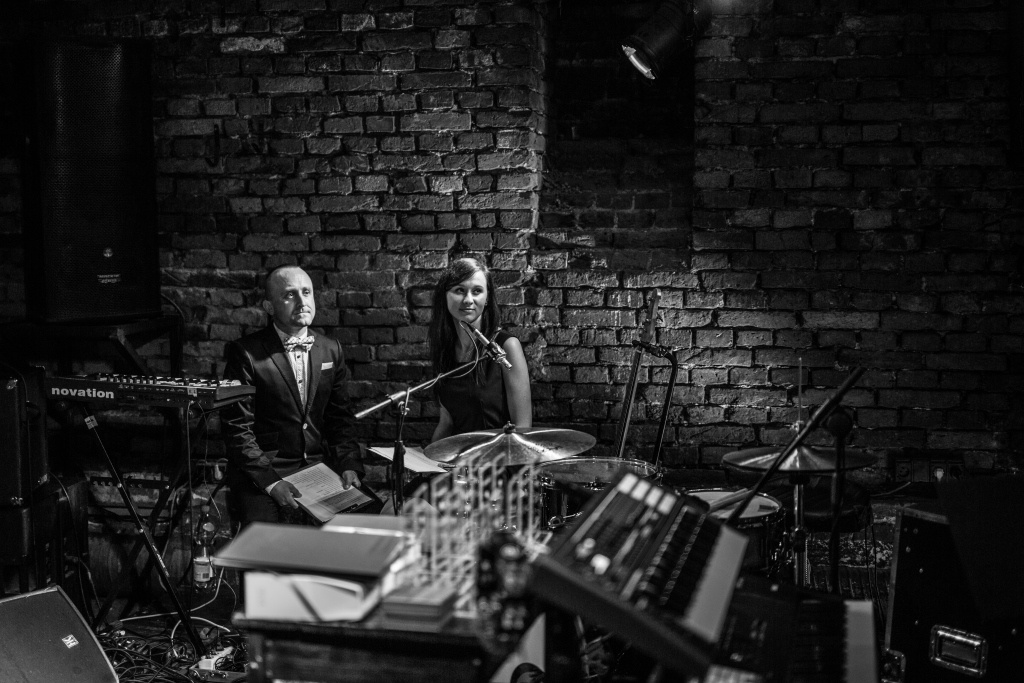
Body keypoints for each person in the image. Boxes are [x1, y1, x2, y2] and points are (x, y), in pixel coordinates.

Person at [222, 265, 363, 526]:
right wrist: (270, 482)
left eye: (306, 292)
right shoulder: (245, 353)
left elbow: (340, 418)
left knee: (362, 527)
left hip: (317, 469)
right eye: (289, 295)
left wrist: (349, 464)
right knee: (265, 537)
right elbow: (237, 428)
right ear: (269, 306)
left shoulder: (331, 349)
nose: (301, 301)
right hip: (265, 471)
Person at [429, 257, 531, 443]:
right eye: (459, 290)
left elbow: (523, 426)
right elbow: (447, 423)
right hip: (459, 457)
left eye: (477, 291)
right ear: (445, 296)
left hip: (498, 458)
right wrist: (426, 456)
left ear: (487, 298)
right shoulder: (445, 350)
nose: (468, 300)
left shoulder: (506, 346)